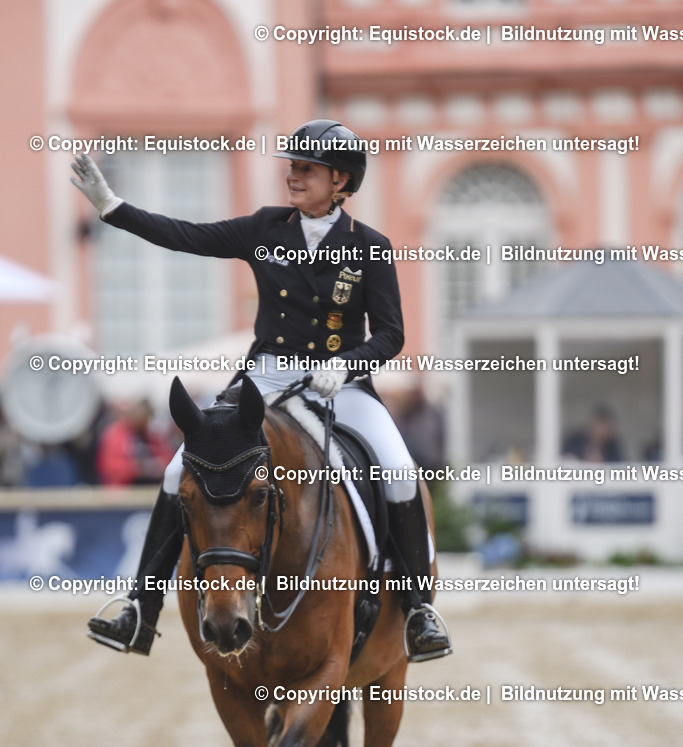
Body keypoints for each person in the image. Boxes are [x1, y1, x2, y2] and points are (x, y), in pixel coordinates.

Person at [71, 119, 452, 661]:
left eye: (306, 168)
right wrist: (112, 207)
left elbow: (391, 334)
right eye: (291, 167)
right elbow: (186, 235)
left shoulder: (370, 246)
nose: (292, 176)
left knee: (396, 470)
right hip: (266, 377)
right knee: (181, 467)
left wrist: (347, 365)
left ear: (340, 180)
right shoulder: (264, 228)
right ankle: (140, 608)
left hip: (338, 383)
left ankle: (418, 609)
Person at [96, 398, 174, 487]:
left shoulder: (152, 435)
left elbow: (168, 458)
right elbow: (108, 467)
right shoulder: (116, 435)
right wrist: (135, 468)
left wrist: (158, 465)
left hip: (151, 487)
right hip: (124, 490)